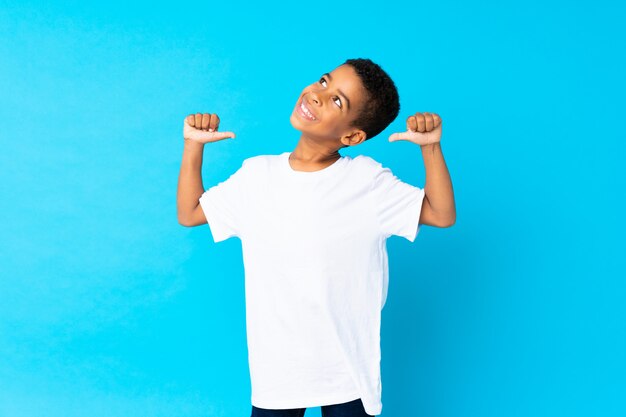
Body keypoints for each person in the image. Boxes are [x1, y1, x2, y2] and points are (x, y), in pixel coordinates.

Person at [176, 58, 456, 417]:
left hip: (346, 368)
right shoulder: (256, 176)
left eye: (339, 101)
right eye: (324, 81)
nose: (319, 94)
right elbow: (191, 213)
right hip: (278, 367)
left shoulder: (367, 182)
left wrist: (430, 148)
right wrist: (193, 145)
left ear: (352, 137)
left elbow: (440, 214)